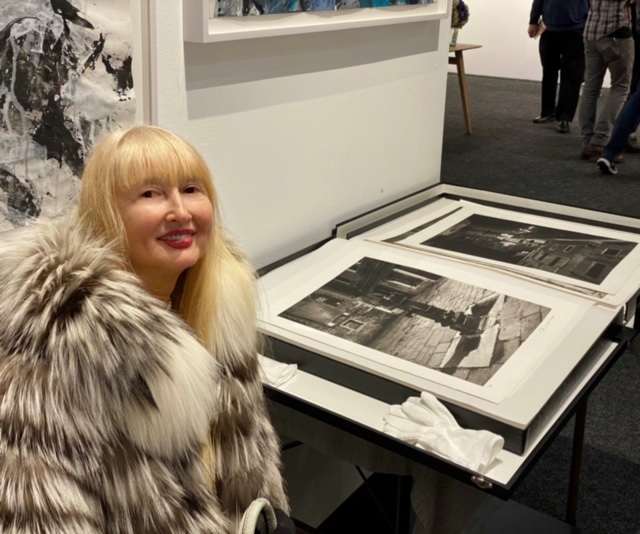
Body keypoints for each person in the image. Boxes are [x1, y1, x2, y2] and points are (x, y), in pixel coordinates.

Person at [0, 125, 293, 533]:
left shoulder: (218, 315)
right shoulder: (58, 352)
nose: (180, 211)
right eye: (150, 194)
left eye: (191, 189)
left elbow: (243, 470)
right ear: (108, 213)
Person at [578, 0, 636, 160]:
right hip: (616, 34)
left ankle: (587, 141)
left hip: (591, 33)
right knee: (620, 88)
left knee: (590, 88)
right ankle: (600, 141)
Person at [528, 0, 590, 134]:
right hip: (549, 29)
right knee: (548, 72)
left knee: (571, 76)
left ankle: (564, 117)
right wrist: (533, 21)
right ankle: (548, 111)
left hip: (576, 29)